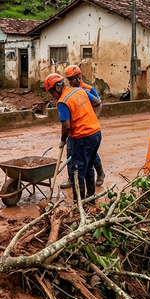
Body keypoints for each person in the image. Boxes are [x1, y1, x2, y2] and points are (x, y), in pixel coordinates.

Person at [44, 73, 102, 202]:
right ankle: (91, 199)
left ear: (58, 88)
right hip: (96, 134)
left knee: (77, 171)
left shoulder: (63, 102)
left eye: (51, 92)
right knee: (89, 167)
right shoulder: (79, 90)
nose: (52, 96)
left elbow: (66, 127)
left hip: (82, 138)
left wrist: (63, 140)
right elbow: (97, 102)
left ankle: (78, 204)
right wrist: (92, 120)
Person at [61, 65, 105, 190]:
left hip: (87, 129)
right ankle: (71, 178)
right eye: (69, 79)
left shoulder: (89, 89)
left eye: (73, 79)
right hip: (74, 129)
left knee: (90, 154)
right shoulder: (70, 91)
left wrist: (93, 118)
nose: (71, 82)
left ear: (79, 76)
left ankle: (100, 173)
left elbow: (99, 104)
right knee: (70, 153)